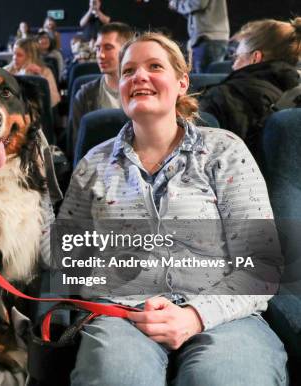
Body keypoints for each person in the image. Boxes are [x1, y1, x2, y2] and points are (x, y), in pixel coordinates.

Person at [59, 31, 287, 385]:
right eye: (129, 70)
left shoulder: (224, 150)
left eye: (154, 66)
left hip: (224, 314)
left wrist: (195, 315)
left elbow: (262, 264)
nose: (139, 77)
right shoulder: (94, 163)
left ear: (182, 82)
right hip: (125, 315)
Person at [199, 17, 301, 156]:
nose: (233, 64)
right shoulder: (295, 90)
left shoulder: (225, 96)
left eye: (237, 56)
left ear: (255, 57)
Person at [70, 22, 134, 139]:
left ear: (126, 51)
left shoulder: (143, 91)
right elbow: (78, 146)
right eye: (98, 48)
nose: (100, 55)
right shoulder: (85, 95)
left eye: (108, 48)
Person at [168, 0, 229, 73]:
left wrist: (176, 4)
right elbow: (195, 11)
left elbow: (197, 4)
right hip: (212, 37)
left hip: (207, 38)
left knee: (204, 80)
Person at [4, 37, 60, 107]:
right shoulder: (6, 70)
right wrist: (21, 75)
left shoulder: (45, 72)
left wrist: (40, 79)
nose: (14, 58)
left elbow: (54, 100)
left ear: (31, 57)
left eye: (19, 55)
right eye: (14, 54)